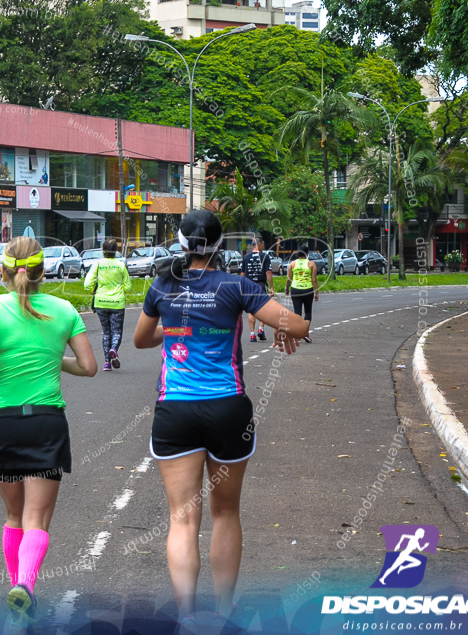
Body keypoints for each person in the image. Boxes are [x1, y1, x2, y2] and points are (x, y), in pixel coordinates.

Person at [132, 210, 309, 631]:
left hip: (175, 410)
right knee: (226, 512)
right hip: (228, 409)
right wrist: (283, 329)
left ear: (179, 241)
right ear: (219, 244)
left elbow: (141, 339)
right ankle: (225, 613)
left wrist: (177, 326)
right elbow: (299, 325)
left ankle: (188, 616)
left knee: (182, 517)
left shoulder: (163, 283)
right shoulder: (237, 286)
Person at [0, 237, 98, 626]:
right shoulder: (63, 309)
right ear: (44, 271)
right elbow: (90, 366)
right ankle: (25, 585)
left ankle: (17, 590)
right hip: (45, 421)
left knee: (13, 515)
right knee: (36, 519)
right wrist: (52, 358)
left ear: (3, 270)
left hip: (2, 422)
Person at [84, 238, 132, 371]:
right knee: (116, 331)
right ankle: (114, 349)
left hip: (101, 302)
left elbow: (87, 284)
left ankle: (106, 362)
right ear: (116, 251)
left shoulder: (98, 264)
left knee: (106, 332)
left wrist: (93, 290)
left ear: (103, 251)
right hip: (117, 303)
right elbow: (128, 287)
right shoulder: (121, 265)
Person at [240, 238, 275, 342]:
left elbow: (242, 274)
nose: (263, 247)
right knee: (263, 308)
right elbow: (268, 272)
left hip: (249, 285)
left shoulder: (246, 257)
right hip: (261, 284)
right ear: (259, 245)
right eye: (263, 245)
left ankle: (252, 334)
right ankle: (261, 328)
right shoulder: (265, 256)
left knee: (251, 310)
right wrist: (271, 287)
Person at [285, 250, 317, 343]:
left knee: (297, 313)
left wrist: (287, 289)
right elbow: (314, 280)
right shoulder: (311, 264)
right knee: (307, 312)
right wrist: (317, 292)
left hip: (295, 290)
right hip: (308, 290)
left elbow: (289, 279)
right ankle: (305, 333)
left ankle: (297, 335)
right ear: (307, 253)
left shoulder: (292, 264)